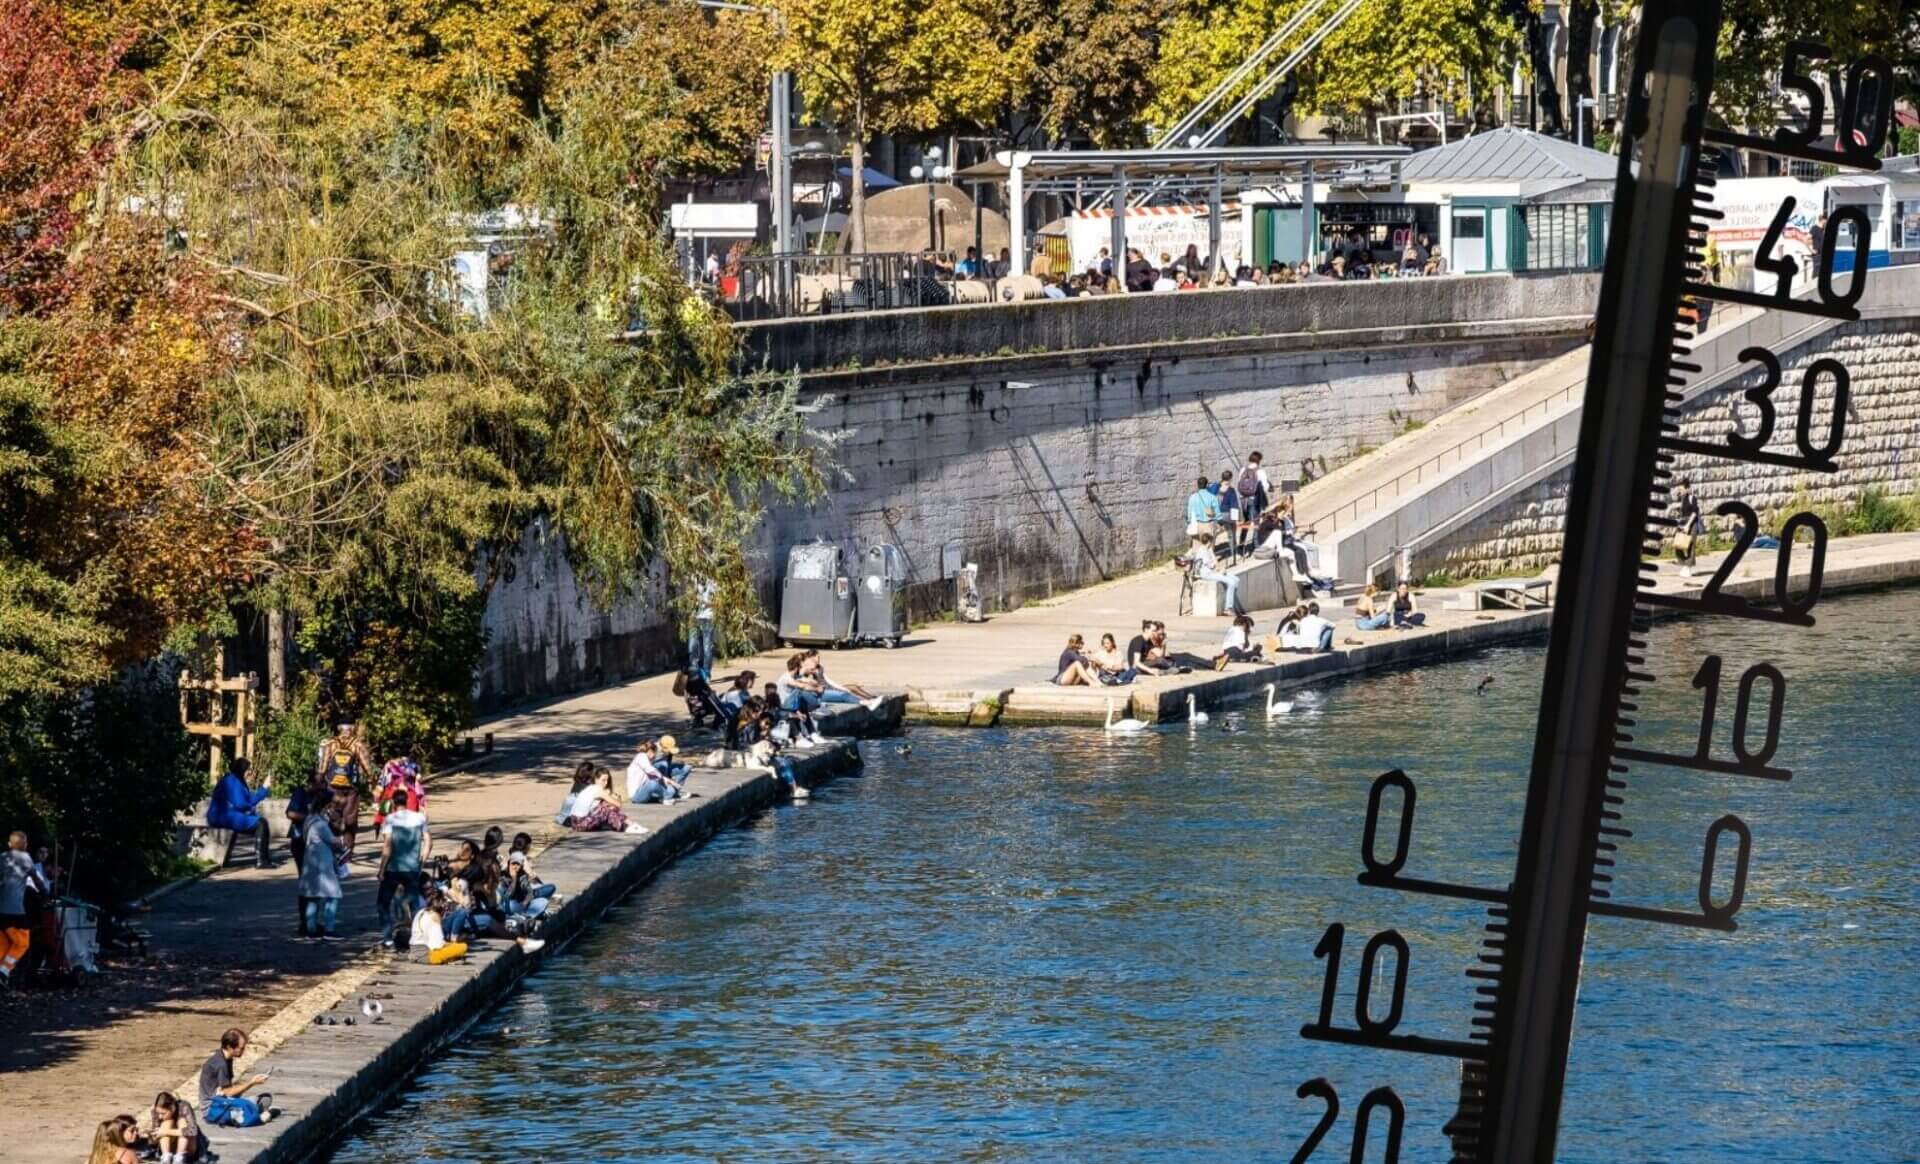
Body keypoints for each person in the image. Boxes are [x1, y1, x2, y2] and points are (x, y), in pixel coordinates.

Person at [298, 787, 347, 939]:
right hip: (323, 864)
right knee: (333, 895)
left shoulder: (309, 819)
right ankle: (329, 929)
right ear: (327, 806)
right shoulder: (321, 824)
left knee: (313, 897)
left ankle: (311, 930)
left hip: (310, 861)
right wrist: (342, 839)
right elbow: (334, 841)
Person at [374, 801, 429, 938]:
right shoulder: (419, 818)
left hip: (393, 868)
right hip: (412, 868)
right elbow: (428, 841)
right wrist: (422, 860)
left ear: (393, 803)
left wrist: (381, 870)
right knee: (414, 905)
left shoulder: (390, 819)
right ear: (406, 802)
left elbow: (387, 846)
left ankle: (387, 938)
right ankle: (417, 937)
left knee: (383, 904)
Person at [315, 724, 372, 856]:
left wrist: (320, 781)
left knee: (334, 818)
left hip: (332, 787)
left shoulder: (330, 743)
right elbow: (366, 766)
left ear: (339, 728)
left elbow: (322, 767)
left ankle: (332, 848)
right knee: (350, 819)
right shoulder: (357, 744)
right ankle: (347, 851)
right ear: (352, 729)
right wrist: (371, 781)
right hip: (351, 789)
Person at [207, 757, 274, 869]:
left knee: (260, 821)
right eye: (248, 769)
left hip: (226, 814)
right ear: (242, 769)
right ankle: (262, 860)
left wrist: (263, 789)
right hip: (223, 816)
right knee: (261, 823)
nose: (250, 772)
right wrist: (264, 788)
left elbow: (247, 801)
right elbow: (242, 804)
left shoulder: (236, 780)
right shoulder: (232, 780)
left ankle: (263, 860)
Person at [198, 1028, 273, 1127]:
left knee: (264, 1099)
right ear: (229, 1047)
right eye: (241, 1048)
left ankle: (254, 1111)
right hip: (213, 1109)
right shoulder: (221, 1064)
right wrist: (252, 1083)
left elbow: (227, 1092)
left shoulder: (225, 1059)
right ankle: (256, 1116)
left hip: (221, 1103)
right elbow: (227, 1092)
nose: (243, 1050)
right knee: (261, 1101)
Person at [1, 830, 44, 987]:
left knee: (5, 944)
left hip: (1, 912)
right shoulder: (26, 858)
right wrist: (46, 893)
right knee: (23, 943)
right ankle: (3, 971)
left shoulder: (2, 857)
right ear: (25, 845)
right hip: (15, 911)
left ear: (9, 844)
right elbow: (36, 880)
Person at [566, 768, 646, 834]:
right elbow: (618, 804)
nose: (605, 783)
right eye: (603, 780)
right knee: (606, 810)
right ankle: (628, 827)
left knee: (605, 807)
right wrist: (610, 795)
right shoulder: (598, 790)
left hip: (574, 822)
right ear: (596, 779)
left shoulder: (590, 788)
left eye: (607, 780)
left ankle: (630, 825)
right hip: (580, 823)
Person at [802, 650, 884, 708]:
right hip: (823, 691)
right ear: (812, 657)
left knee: (853, 687)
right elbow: (804, 681)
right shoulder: (809, 669)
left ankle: (872, 698)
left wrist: (841, 688)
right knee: (845, 694)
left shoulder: (819, 667)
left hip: (829, 687)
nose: (819, 658)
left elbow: (828, 680)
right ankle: (867, 702)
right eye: (817, 657)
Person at [1189, 532, 1244, 616]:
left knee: (1236, 579)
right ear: (1209, 542)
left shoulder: (1207, 549)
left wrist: (1212, 553)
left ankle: (1233, 602)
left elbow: (1215, 562)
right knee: (1231, 583)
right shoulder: (1202, 551)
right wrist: (1219, 570)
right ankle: (1228, 608)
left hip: (1211, 572)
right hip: (1207, 574)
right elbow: (1211, 566)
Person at [626, 739, 687, 804]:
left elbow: (654, 775)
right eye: (655, 753)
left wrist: (670, 782)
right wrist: (663, 779)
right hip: (637, 795)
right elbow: (651, 770)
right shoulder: (641, 756)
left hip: (645, 793)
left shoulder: (646, 760)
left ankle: (665, 797)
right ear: (650, 751)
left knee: (671, 790)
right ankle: (666, 797)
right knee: (652, 783)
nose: (655, 756)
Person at [147, 1091, 202, 1164]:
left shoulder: (184, 1107)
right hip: (168, 1147)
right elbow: (153, 1141)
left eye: (163, 1113)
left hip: (187, 1147)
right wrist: (152, 1136)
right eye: (158, 1113)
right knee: (166, 1122)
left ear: (172, 1108)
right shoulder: (155, 1111)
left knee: (182, 1121)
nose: (160, 1116)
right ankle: (166, 1157)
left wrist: (166, 1131)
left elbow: (193, 1130)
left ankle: (179, 1158)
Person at [1235, 452, 1271, 539]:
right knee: (1256, 524)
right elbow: (1265, 487)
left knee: (1245, 523)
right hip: (1254, 500)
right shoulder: (1260, 471)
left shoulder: (1243, 470)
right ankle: (1255, 546)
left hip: (1243, 500)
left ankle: (1241, 546)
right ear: (1259, 460)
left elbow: (1239, 484)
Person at [1673, 479, 1705, 577]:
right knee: (1678, 544)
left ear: (1686, 487)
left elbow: (1695, 512)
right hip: (1682, 521)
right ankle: (1684, 564)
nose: (1679, 490)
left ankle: (1688, 567)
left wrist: (1688, 525)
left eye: (1680, 488)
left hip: (1692, 522)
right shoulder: (1681, 498)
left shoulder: (1692, 497)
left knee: (1691, 545)